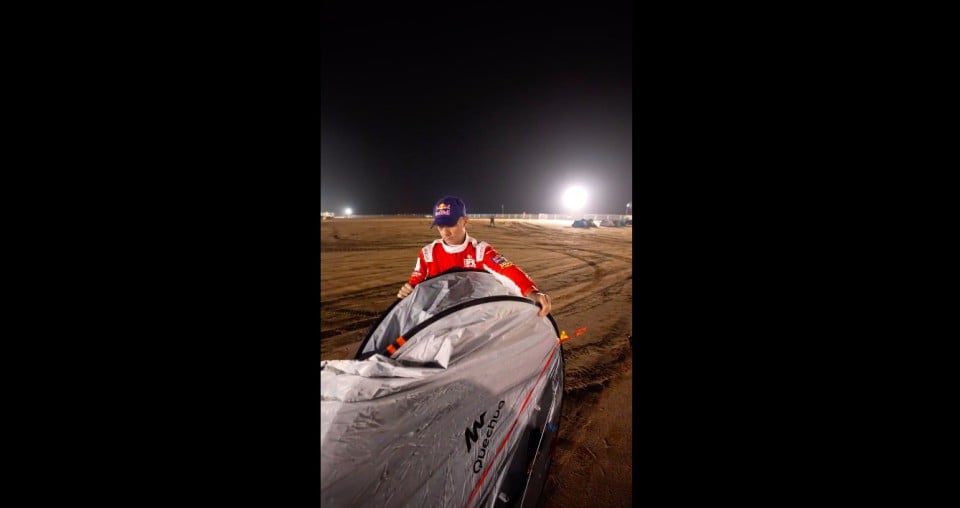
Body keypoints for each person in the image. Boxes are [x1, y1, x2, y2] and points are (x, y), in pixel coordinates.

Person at [397, 196, 552, 317]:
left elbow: (507, 269)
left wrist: (532, 292)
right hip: (439, 320)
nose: (445, 232)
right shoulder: (428, 253)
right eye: (440, 225)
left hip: (474, 320)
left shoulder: (481, 251)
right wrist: (408, 290)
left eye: (451, 224)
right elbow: (414, 284)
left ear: (465, 221)